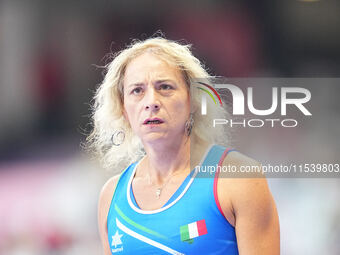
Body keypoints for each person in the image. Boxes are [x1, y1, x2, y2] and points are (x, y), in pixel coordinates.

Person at [86, 37, 280, 254]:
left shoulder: (238, 179)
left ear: (193, 101)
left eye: (165, 87)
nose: (151, 101)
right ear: (123, 109)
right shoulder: (111, 196)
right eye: (137, 91)